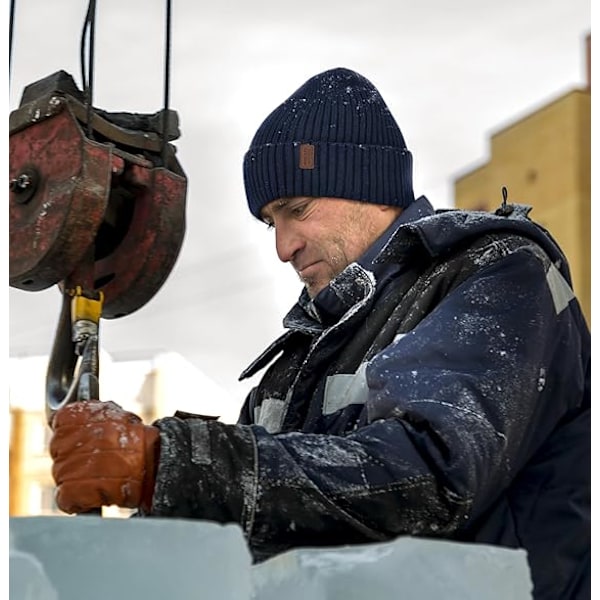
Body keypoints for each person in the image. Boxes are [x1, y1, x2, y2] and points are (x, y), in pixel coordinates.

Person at [50, 67, 590, 599]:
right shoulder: (299, 358)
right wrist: (134, 521)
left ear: (368, 187)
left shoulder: (495, 273)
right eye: (270, 223)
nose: (283, 247)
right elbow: (254, 527)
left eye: (296, 210)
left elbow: (432, 473)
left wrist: (166, 462)